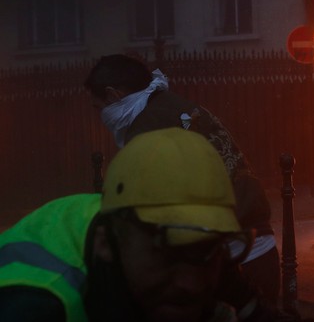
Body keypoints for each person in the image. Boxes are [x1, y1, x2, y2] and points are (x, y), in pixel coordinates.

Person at [0, 127, 284, 322]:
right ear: (104, 242)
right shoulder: (32, 304)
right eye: (166, 253)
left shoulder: (200, 255)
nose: (190, 282)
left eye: (205, 251)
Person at [84, 54, 280, 303]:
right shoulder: (174, 106)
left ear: (113, 96)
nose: (100, 117)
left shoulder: (148, 131)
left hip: (223, 259)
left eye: (98, 108)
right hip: (253, 246)